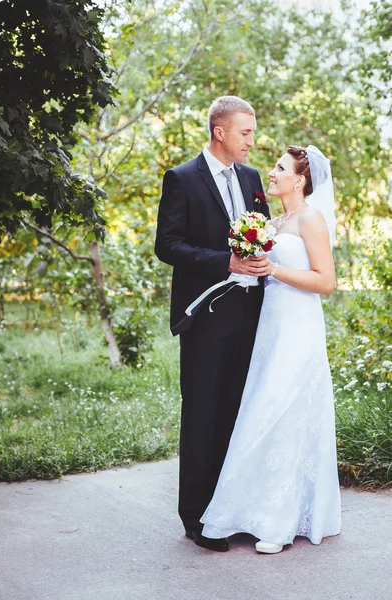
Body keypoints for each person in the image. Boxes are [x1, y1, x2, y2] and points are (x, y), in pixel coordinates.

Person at [200, 145, 341, 553]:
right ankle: (250, 510)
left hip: (299, 326)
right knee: (261, 407)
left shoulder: (311, 219)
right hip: (271, 324)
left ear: (300, 178)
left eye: (280, 167)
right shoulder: (274, 220)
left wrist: (274, 268)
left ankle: (279, 523)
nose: (272, 172)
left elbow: (326, 282)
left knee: (287, 410)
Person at [155, 96, 270, 552]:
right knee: (202, 414)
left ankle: (228, 511)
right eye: (245, 132)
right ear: (219, 131)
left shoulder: (253, 178)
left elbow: (260, 229)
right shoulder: (182, 178)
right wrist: (227, 263)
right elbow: (168, 246)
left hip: (251, 314)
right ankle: (197, 518)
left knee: (235, 413)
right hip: (205, 315)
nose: (251, 141)